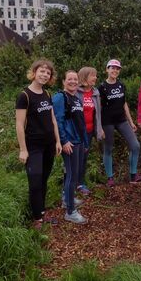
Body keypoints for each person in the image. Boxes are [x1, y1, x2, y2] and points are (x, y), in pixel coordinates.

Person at [15, 59, 62, 230]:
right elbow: (19, 124)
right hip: (33, 146)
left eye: (48, 73)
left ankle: (41, 213)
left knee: (43, 180)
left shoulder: (47, 94)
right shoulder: (24, 96)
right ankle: (36, 219)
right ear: (34, 72)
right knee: (34, 181)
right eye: (42, 71)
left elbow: (52, 119)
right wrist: (23, 149)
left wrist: (57, 140)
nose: (44, 74)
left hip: (49, 144)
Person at [98, 59, 141, 186]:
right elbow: (99, 108)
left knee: (135, 145)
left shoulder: (121, 85)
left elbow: (124, 104)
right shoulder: (101, 87)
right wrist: (99, 127)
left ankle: (133, 175)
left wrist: (131, 122)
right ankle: (110, 178)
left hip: (121, 120)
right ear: (107, 69)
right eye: (112, 68)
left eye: (117, 68)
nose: (115, 70)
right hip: (107, 122)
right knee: (108, 149)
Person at [53, 70, 89, 224]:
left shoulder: (76, 99)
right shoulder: (61, 97)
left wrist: (85, 141)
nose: (73, 82)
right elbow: (57, 120)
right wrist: (63, 141)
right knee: (72, 175)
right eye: (70, 79)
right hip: (69, 142)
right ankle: (70, 212)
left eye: (75, 79)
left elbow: (80, 122)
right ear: (64, 81)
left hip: (79, 141)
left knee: (72, 173)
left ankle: (66, 198)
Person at [76, 67, 104, 195]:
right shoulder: (76, 92)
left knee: (84, 157)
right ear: (85, 77)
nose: (95, 78)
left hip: (89, 131)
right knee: (76, 158)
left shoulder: (95, 92)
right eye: (93, 75)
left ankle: (80, 183)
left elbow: (98, 113)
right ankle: (73, 184)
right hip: (77, 132)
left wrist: (99, 129)